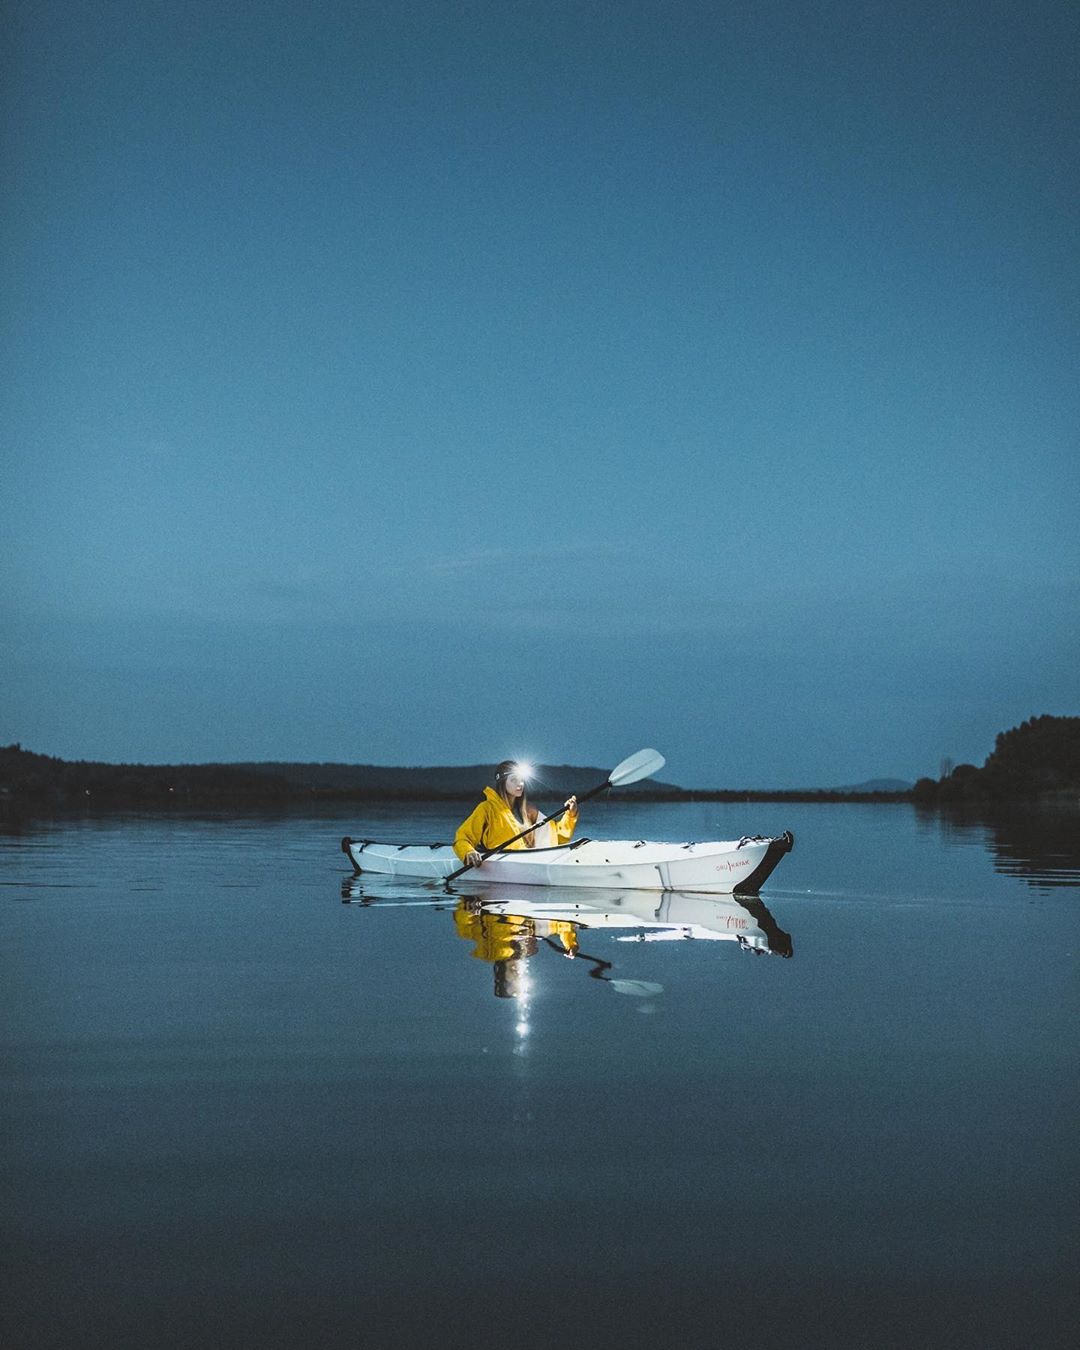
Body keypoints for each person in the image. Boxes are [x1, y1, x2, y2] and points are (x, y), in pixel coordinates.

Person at [453, 760, 578, 867]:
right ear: (502, 783)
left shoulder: (529, 811)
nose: (520, 784)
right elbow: (462, 838)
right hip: (501, 865)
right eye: (514, 780)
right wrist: (468, 852)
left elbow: (556, 838)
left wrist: (570, 814)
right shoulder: (486, 808)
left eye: (522, 780)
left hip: (529, 864)